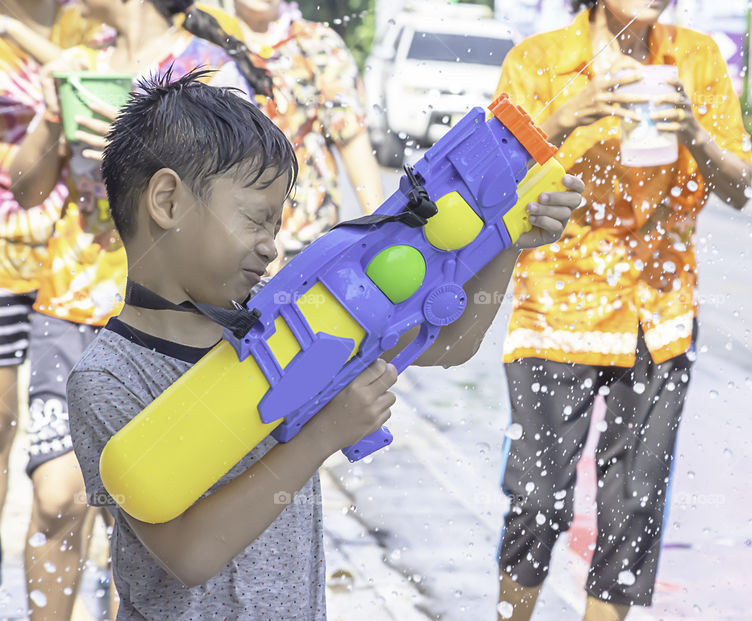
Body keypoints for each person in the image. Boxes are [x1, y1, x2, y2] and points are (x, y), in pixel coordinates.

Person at [65, 69, 584, 618]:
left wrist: (507, 241)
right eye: (256, 220)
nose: (271, 246)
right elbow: (190, 555)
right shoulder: (109, 378)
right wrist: (322, 437)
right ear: (167, 201)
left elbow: (449, 344)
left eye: (277, 224)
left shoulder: (280, 324)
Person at [493, 1, 752, 619]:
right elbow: (493, 174)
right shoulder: (540, 60)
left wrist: (692, 131)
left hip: (659, 312)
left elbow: (740, 188)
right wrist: (561, 117)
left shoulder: (693, 58)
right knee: (537, 499)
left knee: (634, 505)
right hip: (557, 305)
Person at [7, 1, 268, 616]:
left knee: (151, 498)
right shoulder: (78, 62)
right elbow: (23, 189)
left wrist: (140, 158)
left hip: (168, 313)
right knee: (54, 497)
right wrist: (51, 117)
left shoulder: (208, 72)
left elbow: (242, 192)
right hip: (68, 302)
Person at [0, 0, 103, 596]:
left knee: (70, 464)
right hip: (3, 255)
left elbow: (82, 73)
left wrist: (14, 30)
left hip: (73, 265)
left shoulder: (93, 25)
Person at [232, 0, 384, 266]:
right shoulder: (204, 44)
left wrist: (384, 232)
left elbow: (353, 141)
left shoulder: (317, 44)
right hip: (224, 240)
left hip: (304, 241)